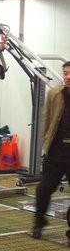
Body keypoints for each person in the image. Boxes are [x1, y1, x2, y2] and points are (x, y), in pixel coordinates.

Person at [31, 60, 70, 241]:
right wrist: (46, 144)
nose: (67, 77)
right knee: (44, 189)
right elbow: (47, 121)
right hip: (56, 150)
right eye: (65, 73)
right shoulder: (55, 94)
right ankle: (39, 222)